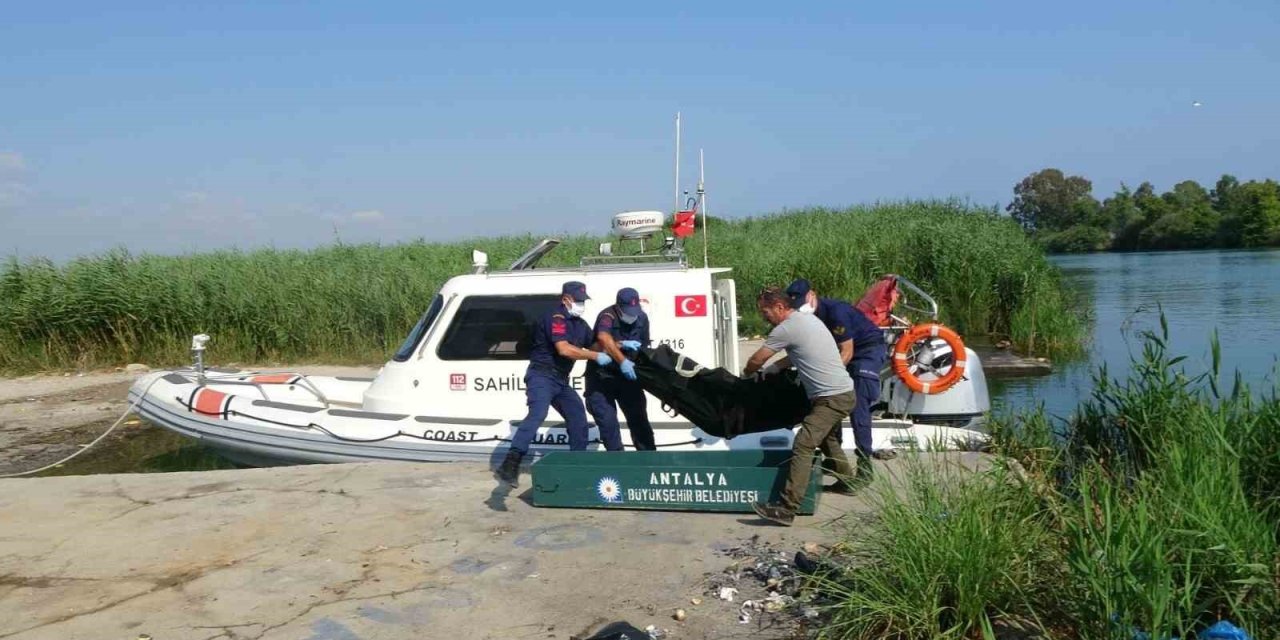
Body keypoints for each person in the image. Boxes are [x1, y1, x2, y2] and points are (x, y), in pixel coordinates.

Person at [742, 287, 856, 526]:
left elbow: (757, 359)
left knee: (803, 443)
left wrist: (747, 376)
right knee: (828, 440)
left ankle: (786, 508)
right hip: (841, 393)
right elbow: (799, 353)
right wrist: (777, 367)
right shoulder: (806, 320)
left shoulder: (786, 328)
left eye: (766, 311)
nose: (764, 316)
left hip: (832, 397)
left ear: (780, 307)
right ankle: (848, 482)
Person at [494, 281, 613, 487]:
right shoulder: (555, 318)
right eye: (578, 301)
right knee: (538, 413)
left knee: (577, 416)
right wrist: (595, 356)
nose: (581, 304)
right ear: (566, 299)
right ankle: (510, 463)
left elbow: (593, 343)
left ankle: (577, 464)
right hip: (542, 375)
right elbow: (564, 349)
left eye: (583, 301)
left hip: (560, 380)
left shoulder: (579, 324)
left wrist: (614, 345)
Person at [786, 278, 892, 478]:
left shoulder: (836, 312)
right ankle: (837, 458)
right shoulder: (808, 318)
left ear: (812, 295)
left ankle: (864, 465)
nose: (800, 309)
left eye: (801, 303)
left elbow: (847, 351)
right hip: (842, 353)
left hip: (865, 351)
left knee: (858, 405)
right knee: (827, 404)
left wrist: (830, 378)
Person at [584, 287, 655, 451]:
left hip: (628, 378)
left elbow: (644, 347)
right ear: (618, 306)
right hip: (602, 378)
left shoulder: (642, 318)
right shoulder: (607, 316)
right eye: (628, 310)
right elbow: (603, 337)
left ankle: (649, 461)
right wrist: (622, 360)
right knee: (608, 424)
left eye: (635, 310)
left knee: (639, 421)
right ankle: (618, 464)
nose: (632, 314)